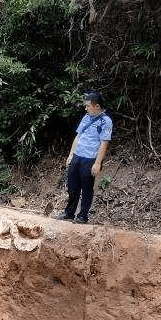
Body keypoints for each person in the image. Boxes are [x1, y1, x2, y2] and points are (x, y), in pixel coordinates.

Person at [56, 91, 113, 224]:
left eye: (88, 106)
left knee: (86, 188)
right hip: (77, 156)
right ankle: (69, 213)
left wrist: (98, 163)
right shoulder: (86, 117)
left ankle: (82, 216)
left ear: (97, 106)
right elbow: (78, 136)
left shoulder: (106, 121)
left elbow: (104, 143)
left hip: (90, 159)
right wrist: (71, 155)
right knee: (72, 185)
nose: (85, 108)